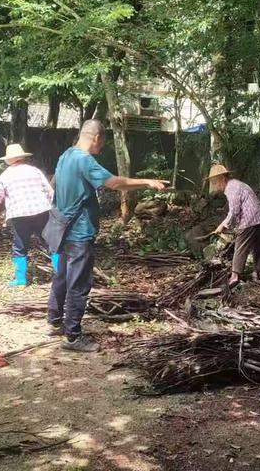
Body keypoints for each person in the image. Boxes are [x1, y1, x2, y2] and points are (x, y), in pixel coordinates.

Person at [47, 120, 169, 352]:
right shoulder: (84, 160)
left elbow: (54, 183)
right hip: (79, 232)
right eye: (102, 142)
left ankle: (54, 321)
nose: (101, 147)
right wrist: (147, 182)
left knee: (61, 275)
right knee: (78, 283)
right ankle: (72, 337)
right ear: (97, 138)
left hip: (62, 228)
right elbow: (114, 183)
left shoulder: (66, 156)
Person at [0, 143, 58, 286]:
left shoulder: (5, 176)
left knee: (20, 246)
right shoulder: (34, 171)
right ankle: (60, 275)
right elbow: (50, 192)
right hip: (41, 211)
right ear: (22, 158)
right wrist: (50, 208)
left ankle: (20, 280)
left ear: (8, 160)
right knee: (49, 243)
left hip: (19, 215)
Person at [207, 165, 260, 287]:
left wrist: (223, 225)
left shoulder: (231, 188)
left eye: (215, 182)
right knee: (259, 244)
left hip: (249, 218)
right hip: (259, 217)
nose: (215, 185)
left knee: (241, 246)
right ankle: (259, 272)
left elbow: (234, 211)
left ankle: (235, 276)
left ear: (222, 178)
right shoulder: (236, 184)